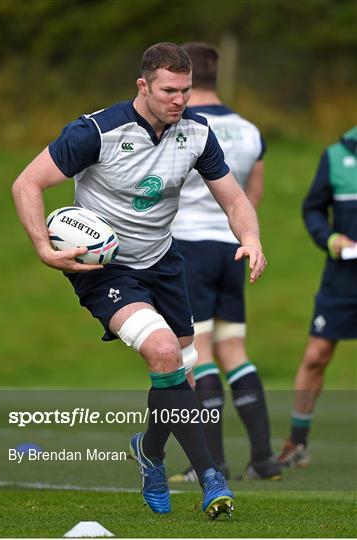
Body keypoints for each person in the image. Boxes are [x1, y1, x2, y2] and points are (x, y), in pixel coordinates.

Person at [12, 42, 267, 518]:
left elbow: (234, 200)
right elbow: (27, 183)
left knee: (182, 376)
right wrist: (44, 249)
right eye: (169, 90)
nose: (179, 100)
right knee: (165, 353)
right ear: (143, 86)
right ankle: (212, 477)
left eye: (186, 90)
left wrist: (250, 238)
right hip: (104, 269)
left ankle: (149, 451)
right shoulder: (96, 131)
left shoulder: (196, 132)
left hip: (165, 263)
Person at [170, 42, 281, 482]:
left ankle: (211, 465)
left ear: (187, 77)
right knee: (235, 349)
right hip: (234, 247)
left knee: (199, 353)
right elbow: (250, 198)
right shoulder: (251, 130)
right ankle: (265, 460)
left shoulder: (181, 126)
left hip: (189, 247)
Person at [279, 126, 357, 467]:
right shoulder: (336, 155)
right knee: (316, 356)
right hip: (342, 278)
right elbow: (312, 208)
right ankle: (298, 443)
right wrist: (329, 238)